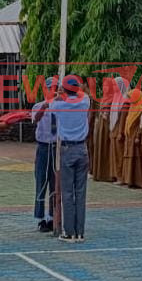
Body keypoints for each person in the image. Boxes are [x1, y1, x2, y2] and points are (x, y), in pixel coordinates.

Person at [45, 75, 90, 242]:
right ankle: (80, 232)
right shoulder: (85, 101)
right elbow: (82, 94)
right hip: (82, 148)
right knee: (80, 192)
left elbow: (51, 102)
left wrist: (59, 95)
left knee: (67, 192)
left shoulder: (58, 105)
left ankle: (69, 231)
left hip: (66, 148)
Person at [30, 78, 58, 233]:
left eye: (56, 88)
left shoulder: (62, 107)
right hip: (43, 146)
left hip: (56, 146)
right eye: (51, 88)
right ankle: (40, 218)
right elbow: (35, 119)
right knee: (41, 180)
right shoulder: (38, 106)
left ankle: (52, 217)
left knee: (55, 182)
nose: (53, 91)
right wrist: (46, 106)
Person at [89, 78, 115, 184]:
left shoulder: (112, 98)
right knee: (99, 148)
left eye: (107, 86)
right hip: (100, 126)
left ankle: (107, 174)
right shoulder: (103, 98)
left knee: (106, 149)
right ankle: (98, 173)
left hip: (107, 126)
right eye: (104, 86)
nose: (105, 88)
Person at [121, 85, 142, 188]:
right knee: (129, 158)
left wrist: (137, 136)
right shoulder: (132, 108)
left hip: (135, 138)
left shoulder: (141, 108)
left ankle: (138, 181)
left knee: (136, 159)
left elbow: (140, 125)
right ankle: (129, 180)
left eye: (131, 97)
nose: (129, 99)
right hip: (129, 137)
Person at [109, 76, 129, 184]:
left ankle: (121, 176)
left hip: (119, 130)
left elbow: (122, 118)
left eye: (115, 85)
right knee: (114, 154)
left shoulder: (125, 100)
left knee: (119, 154)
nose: (114, 87)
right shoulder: (116, 97)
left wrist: (120, 131)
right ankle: (115, 175)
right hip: (113, 129)